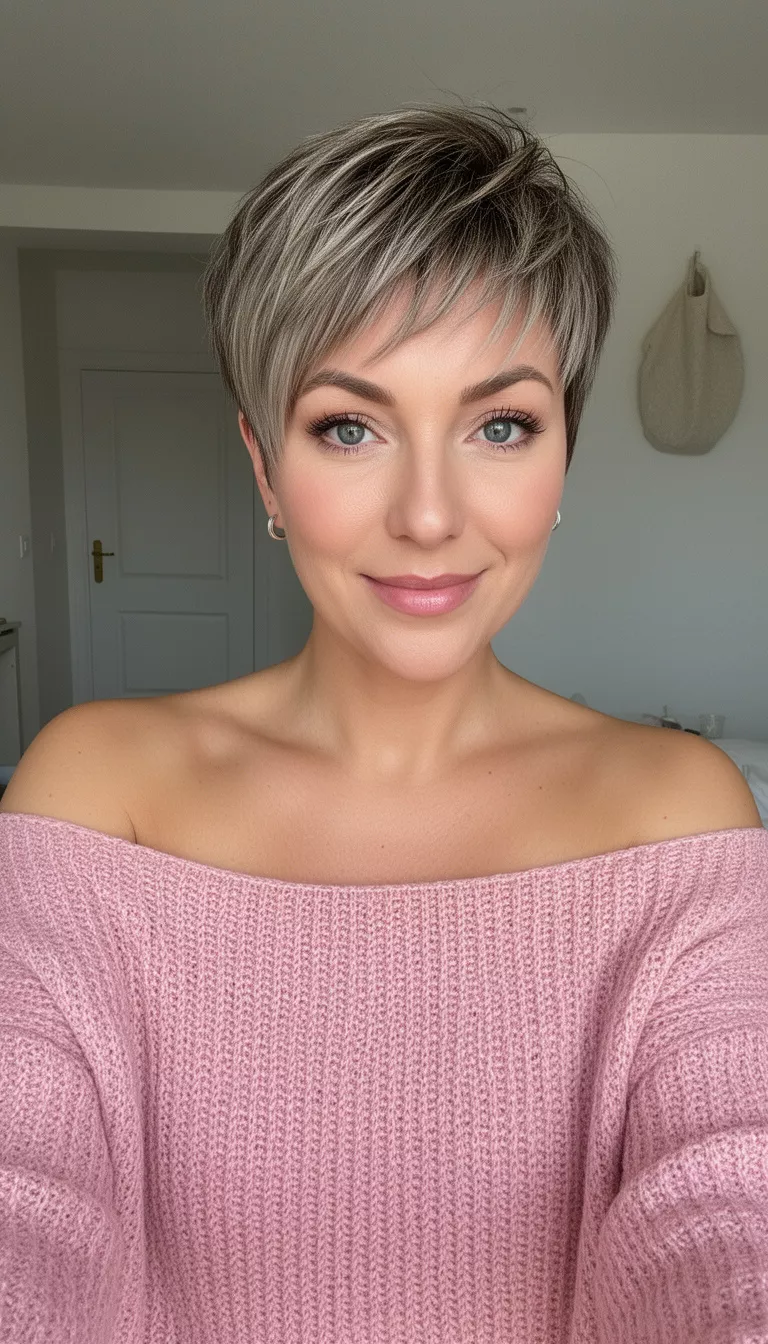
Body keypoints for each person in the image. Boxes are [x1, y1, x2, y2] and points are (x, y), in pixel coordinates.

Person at [0, 104, 766, 1343]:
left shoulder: (674, 814)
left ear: (563, 455)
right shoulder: (100, 791)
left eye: (500, 424)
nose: (427, 513)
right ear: (262, 464)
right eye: (348, 425)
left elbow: (730, 1201)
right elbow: (23, 1189)